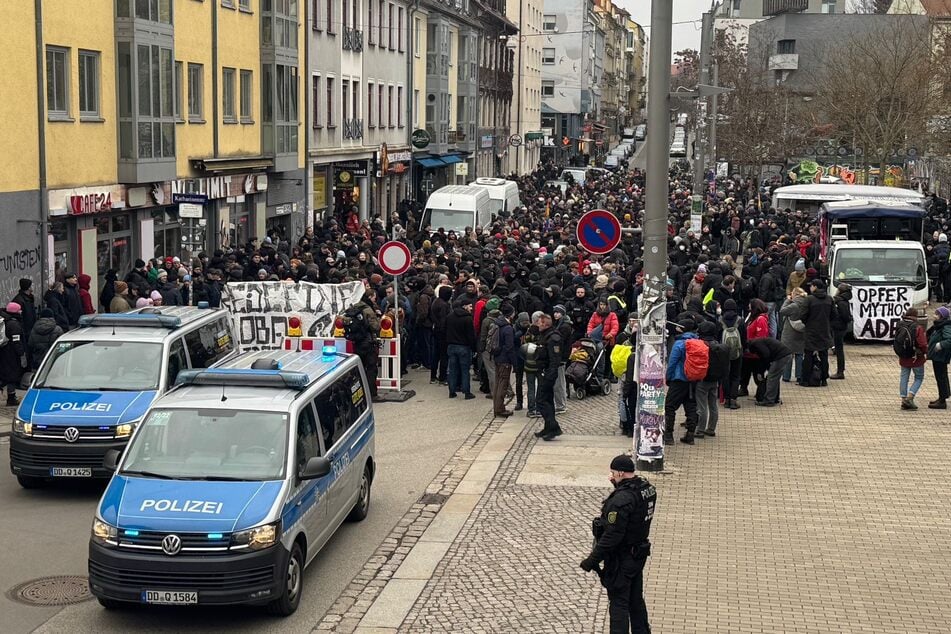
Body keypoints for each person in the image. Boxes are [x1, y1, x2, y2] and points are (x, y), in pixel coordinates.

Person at [580, 454, 656, 634]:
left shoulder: (620, 501)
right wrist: (618, 485)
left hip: (622, 559)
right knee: (635, 600)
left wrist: (592, 560)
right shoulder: (647, 489)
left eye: (613, 473)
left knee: (619, 603)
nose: (611, 476)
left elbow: (612, 536)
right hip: (638, 554)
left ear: (621, 472)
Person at [665, 318, 699, 445]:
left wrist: (668, 377)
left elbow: (672, 362)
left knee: (669, 406)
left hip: (678, 379)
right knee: (691, 406)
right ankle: (690, 434)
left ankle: (668, 435)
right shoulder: (697, 341)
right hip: (692, 380)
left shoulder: (679, 344)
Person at [344, 290, 382, 399]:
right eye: (374, 298)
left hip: (357, 343)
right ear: (369, 298)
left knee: (359, 370)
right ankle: (372, 394)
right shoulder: (367, 310)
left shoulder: (353, 309)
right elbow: (376, 327)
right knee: (371, 369)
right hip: (368, 343)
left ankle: (358, 394)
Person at [696, 321, 730, 438]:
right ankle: (711, 428)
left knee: (702, 406)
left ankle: (700, 429)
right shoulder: (717, 345)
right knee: (713, 405)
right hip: (715, 379)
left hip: (703, 379)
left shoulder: (701, 345)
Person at [533, 312, 563, 440]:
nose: (537, 325)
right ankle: (548, 427)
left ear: (545, 324)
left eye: (539, 323)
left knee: (541, 400)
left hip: (547, 374)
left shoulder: (553, 338)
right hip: (542, 372)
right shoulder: (544, 336)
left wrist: (548, 375)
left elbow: (554, 360)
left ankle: (554, 427)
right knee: (548, 400)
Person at [800, 279, 833, 387]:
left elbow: (802, 315)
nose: (810, 288)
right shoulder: (829, 299)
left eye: (811, 286)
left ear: (815, 287)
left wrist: (808, 323)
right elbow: (834, 315)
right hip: (825, 331)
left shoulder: (809, 299)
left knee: (808, 355)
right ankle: (824, 379)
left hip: (811, 332)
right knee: (824, 356)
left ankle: (805, 380)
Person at [895, 308, 927, 410]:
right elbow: (922, 343)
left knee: (904, 377)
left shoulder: (900, 324)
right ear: (915, 316)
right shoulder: (917, 327)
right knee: (919, 377)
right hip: (915, 357)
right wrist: (925, 352)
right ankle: (910, 397)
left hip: (903, 355)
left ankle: (903, 399)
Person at [445, 297, 477, 400]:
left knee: (452, 370)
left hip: (451, 346)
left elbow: (445, 330)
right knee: (464, 370)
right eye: (470, 306)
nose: (471, 308)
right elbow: (471, 336)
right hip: (464, 347)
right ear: (465, 306)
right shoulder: (467, 318)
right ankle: (467, 392)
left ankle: (452, 391)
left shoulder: (449, 316)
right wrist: (474, 348)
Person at [748, 337, 792, 406]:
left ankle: (769, 400)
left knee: (771, 377)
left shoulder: (756, 344)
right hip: (785, 354)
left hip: (781, 356)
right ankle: (775, 398)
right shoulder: (759, 342)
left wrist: (761, 371)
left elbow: (766, 355)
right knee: (775, 377)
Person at [492, 304, 517, 417]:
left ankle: (497, 406)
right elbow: (509, 347)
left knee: (498, 383)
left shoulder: (497, 324)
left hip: (497, 357)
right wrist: (514, 363)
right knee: (503, 384)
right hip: (505, 359)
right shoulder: (507, 328)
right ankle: (499, 408)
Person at [779, 288, 808, 383]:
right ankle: (799, 375)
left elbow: (782, 311)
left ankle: (786, 376)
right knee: (799, 354)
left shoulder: (794, 305)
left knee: (788, 354)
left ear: (795, 294)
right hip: (801, 332)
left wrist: (787, 300)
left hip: (790, 332)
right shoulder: (806, 304)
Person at [1, 302, 27, 405]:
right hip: (11, 354)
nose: (21, 311)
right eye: (19, 310)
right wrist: (21, 353)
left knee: (5, 374)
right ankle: (11, 398)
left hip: (4, 351)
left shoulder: (6, 321)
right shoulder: (14, 324)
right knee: (12, 375)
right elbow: (17, 341)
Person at [926, 305, 951, 409]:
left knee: (941, 377)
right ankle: (942, 396)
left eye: (937, 314)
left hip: (941, 356)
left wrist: (940, 345)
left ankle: (942, 401)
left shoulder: (946, 326)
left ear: (942, 316)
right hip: (937, 356)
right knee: (941, 376)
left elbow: (949, 340)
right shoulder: (939, 325)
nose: (934, 316)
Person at [829, 283, 852, 379]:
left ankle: (840, 371)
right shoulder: (844, 301)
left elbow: (845, 315)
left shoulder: (840, 302)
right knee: (839, 349)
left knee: (839, 350)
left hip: (839, 327)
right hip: (840, 326)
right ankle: (840, 370)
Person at [11, 278, 37, 344]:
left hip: (30, 330)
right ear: (28, 287)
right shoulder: (19, 300)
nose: (33, 286)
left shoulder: (29, 298)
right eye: (32, 285)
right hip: (25, 332)